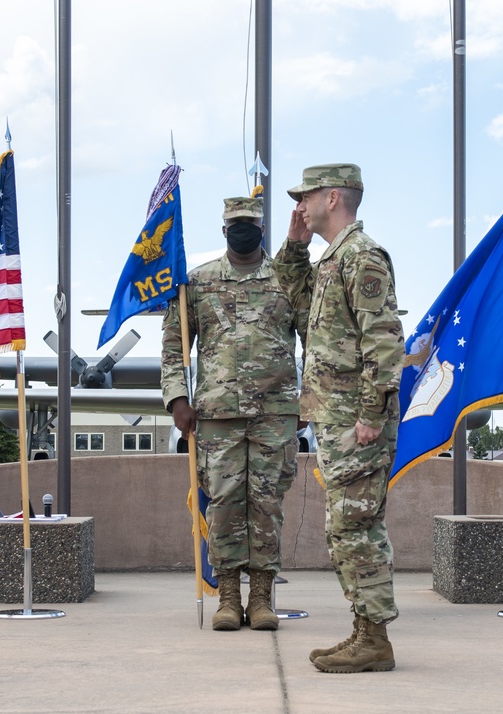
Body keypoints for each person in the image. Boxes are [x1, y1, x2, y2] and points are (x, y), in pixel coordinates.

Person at [273, 164, 405, 673]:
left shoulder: (362, 256)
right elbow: (296, 301)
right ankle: (365, 631)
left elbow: (384, 340)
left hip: (356, 422)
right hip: (337, 419)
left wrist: (371, 415)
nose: (299, 206)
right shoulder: (331, 259)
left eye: (305, 198)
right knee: (346, 528)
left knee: (356, 527)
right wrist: (294, 244)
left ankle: (374, 639)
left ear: (332, 198)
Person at [161, 196, 308, 631]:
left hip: (276, 412)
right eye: (235, 224)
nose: (243, 229)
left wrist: (309, 401)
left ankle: (261, 598)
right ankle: (228, 597)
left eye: (251, 223)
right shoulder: (197, 282)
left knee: (266, 506)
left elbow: (314, 339)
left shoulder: (288, 279)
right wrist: (177, 399)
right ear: (224, 230)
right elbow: (174, 345)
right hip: (216, 414)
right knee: (223, 505)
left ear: (262, 229)